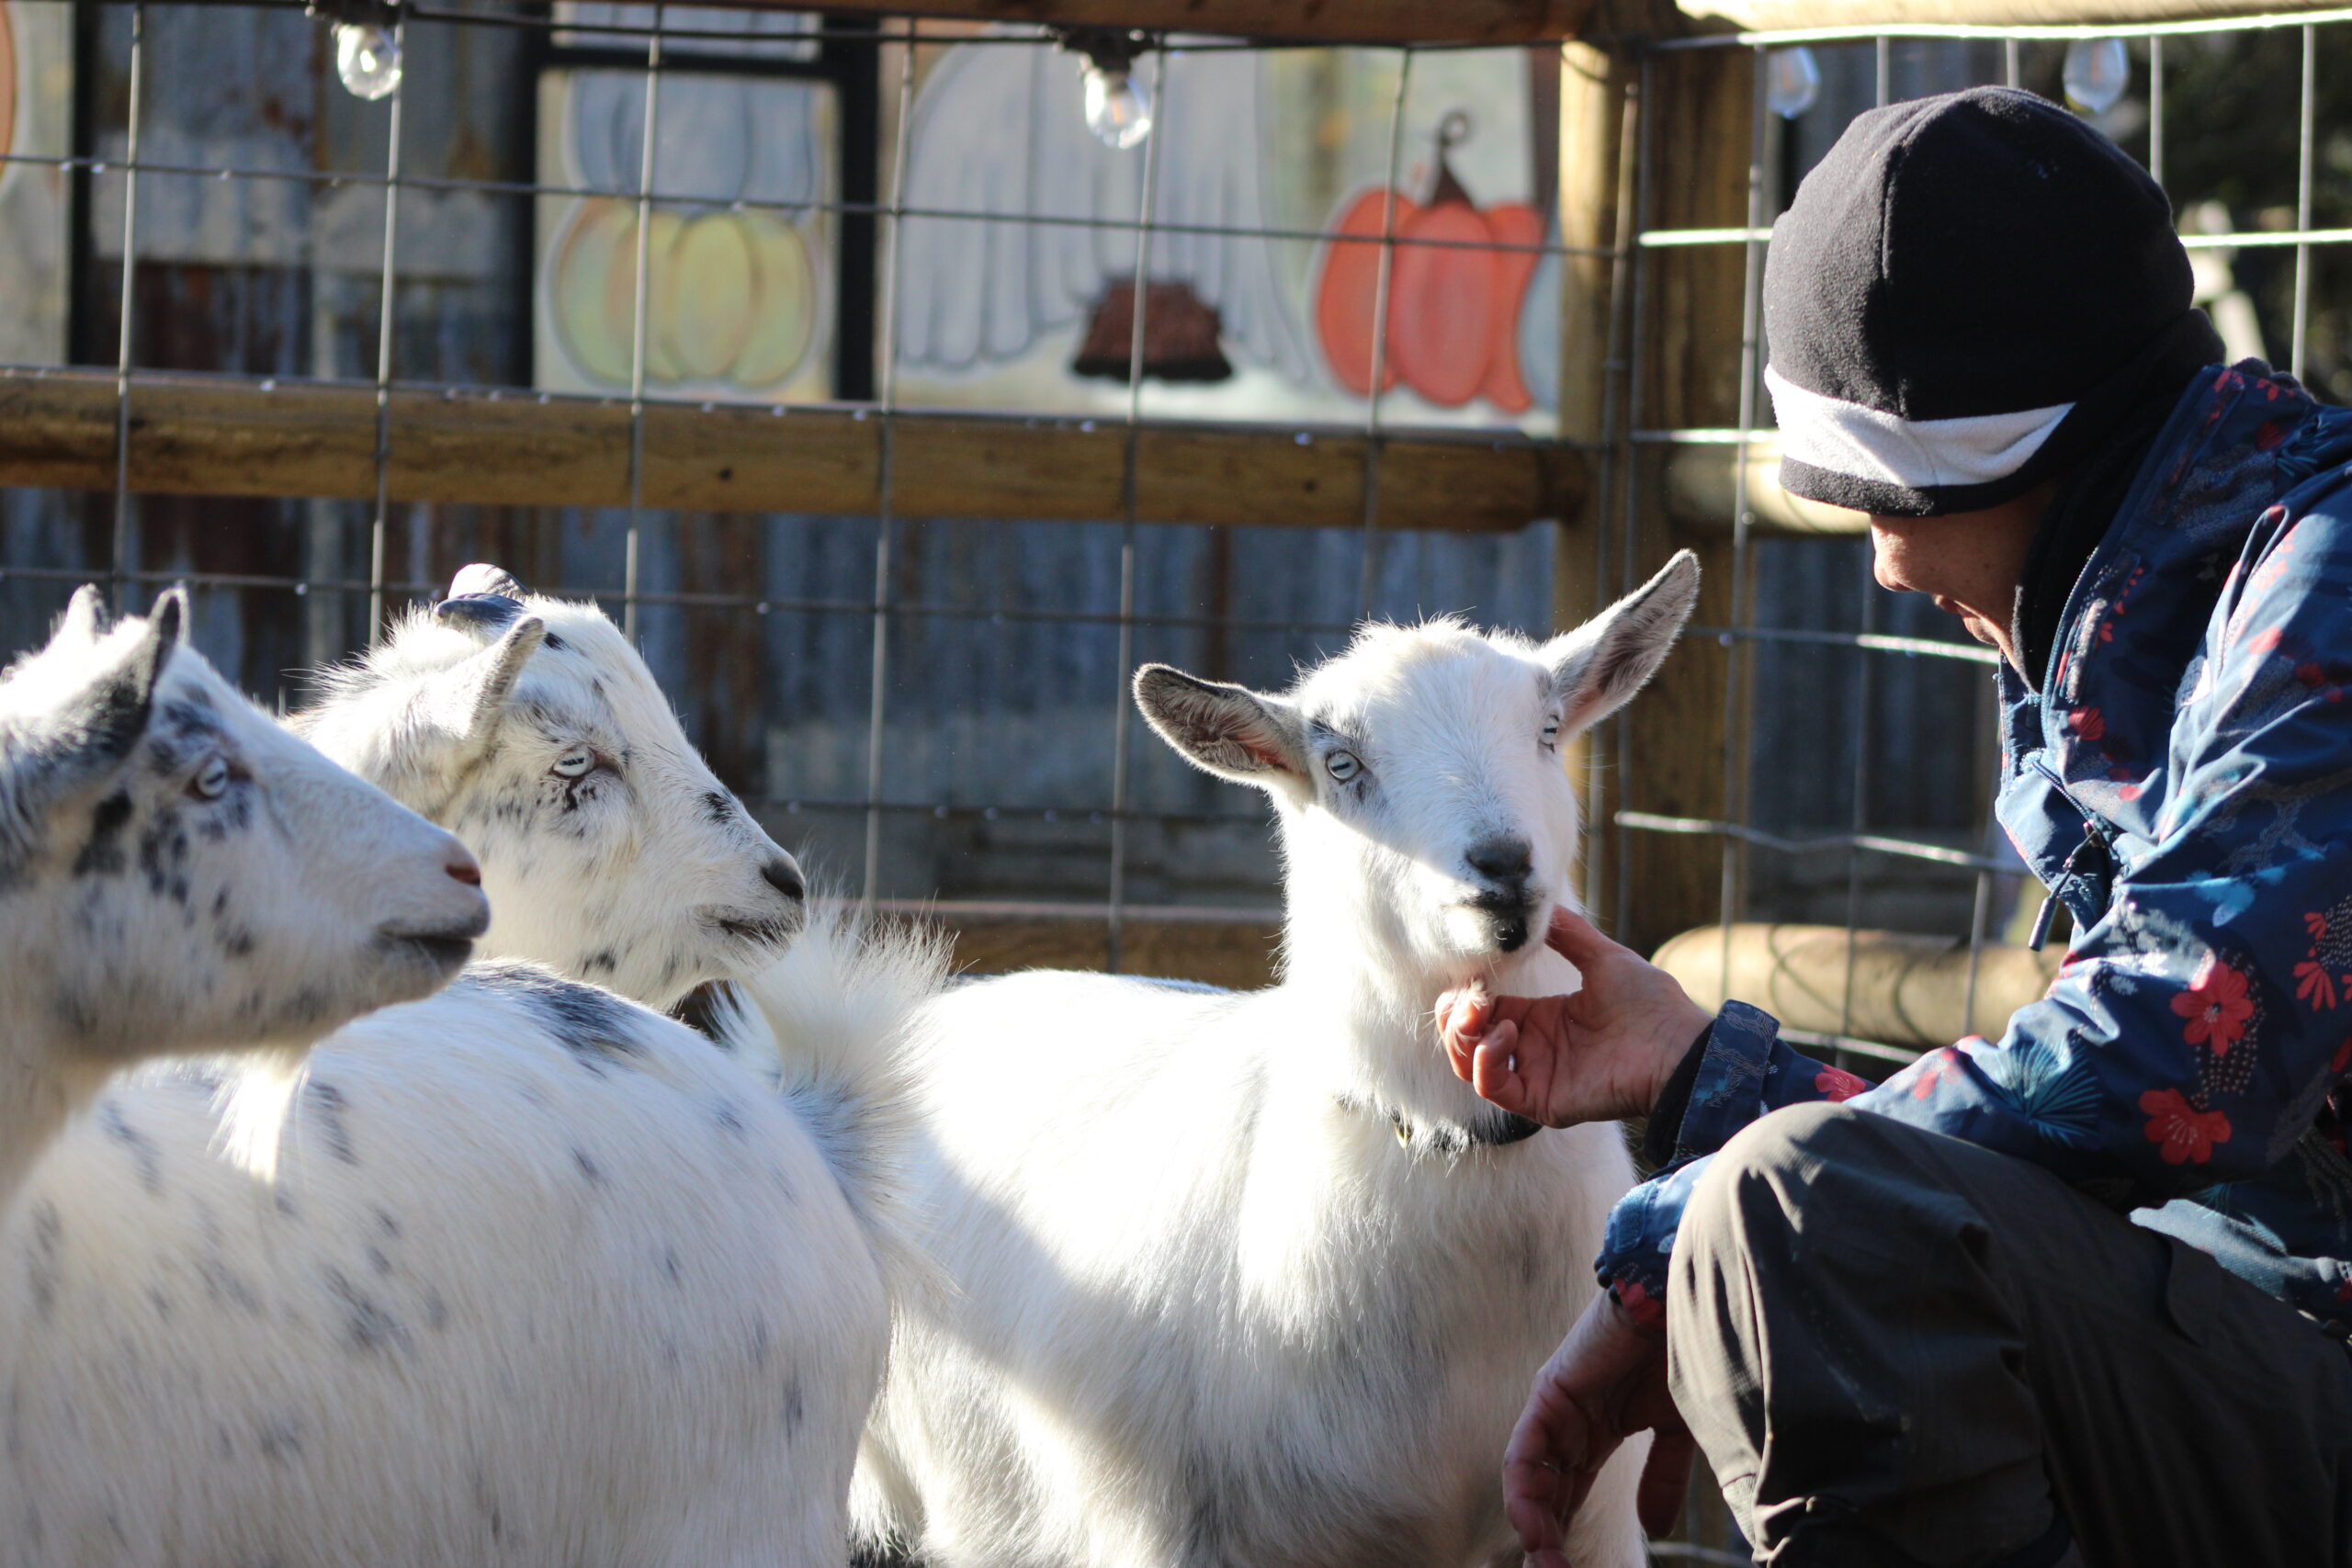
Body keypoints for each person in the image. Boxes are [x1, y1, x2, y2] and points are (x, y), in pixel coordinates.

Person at [1438, 85, 2352, 1568]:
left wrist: (1702, 1229)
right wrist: (1701, 1077)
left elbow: (2191, 1043)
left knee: (1789, 1220)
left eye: (1876, 496)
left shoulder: (2329, 584)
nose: (1877, 565)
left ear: (2003, 453)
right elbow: (2115, 1126)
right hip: (2276, 1353)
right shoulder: (2160, 618)